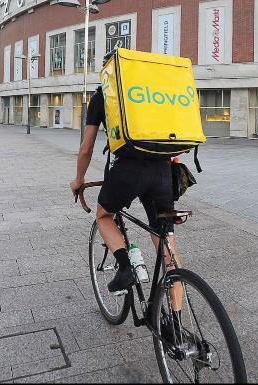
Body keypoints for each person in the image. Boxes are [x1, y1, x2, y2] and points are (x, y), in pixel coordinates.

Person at [70, 52, 181, 297]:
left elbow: (86, 147)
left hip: (128, 170)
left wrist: (79, 180)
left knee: (104, 215)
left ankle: (125, 266)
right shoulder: (151, 92)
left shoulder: (103, 95)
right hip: (163, 170)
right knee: (166, 244)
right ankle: (176, 323)